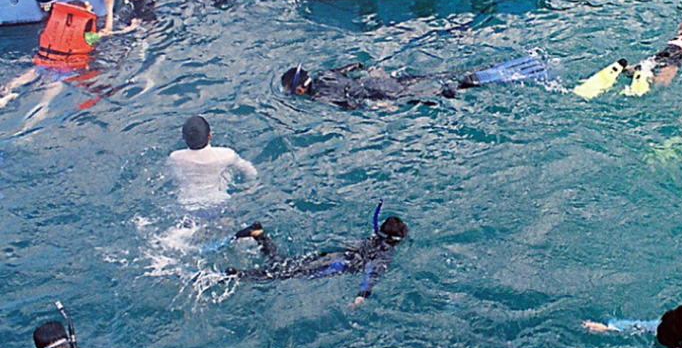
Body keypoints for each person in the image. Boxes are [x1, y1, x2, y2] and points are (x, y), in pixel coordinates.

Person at [229, 210, 406, 304]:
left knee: (284, 264)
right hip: (333, 265)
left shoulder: (369, 239)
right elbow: (372, 274)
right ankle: (237, 274)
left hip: (329, 256)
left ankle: (258, 234)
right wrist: (361, 296)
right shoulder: (385, 254)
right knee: (282, 273)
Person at [281, 53, 548, 109]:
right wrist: (372, 70)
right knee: (432, 77)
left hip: (376, 95)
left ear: (300, 89)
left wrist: (378, 107)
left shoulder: (319, 97)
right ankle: (482, 68)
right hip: (378, 81)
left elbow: (349, 104)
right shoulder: (326, 73)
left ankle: (467, 83)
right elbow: (355, 65)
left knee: (430, 95)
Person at [0, 0, 115, 109]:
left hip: (43, 63)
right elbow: (107, 30)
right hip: (65, 70)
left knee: (14, 82)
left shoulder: (54, 28)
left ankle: (6, 94)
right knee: (45, 102)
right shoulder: (89, 36)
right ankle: (31, 120)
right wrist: (109, 5)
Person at [167, 115, 257, 212]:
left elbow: (175, 177)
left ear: (184, 138)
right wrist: (250, 187)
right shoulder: (227, 155)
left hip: (187, 205)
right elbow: (250, 172)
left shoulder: (175, 157)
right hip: (217, 202)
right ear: (210, 135)